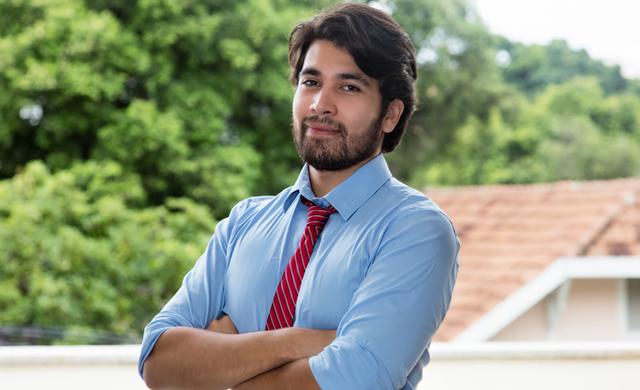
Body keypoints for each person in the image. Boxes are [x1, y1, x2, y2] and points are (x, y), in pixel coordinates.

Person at [138, 3, 459, 389]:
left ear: (390, 114)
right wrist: (303, 341)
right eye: (310, 82)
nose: (320, 104)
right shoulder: (245, 222)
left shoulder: (416, 231)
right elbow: (159, 362)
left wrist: (224, 355)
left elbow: (357, 379)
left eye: (348, 86)